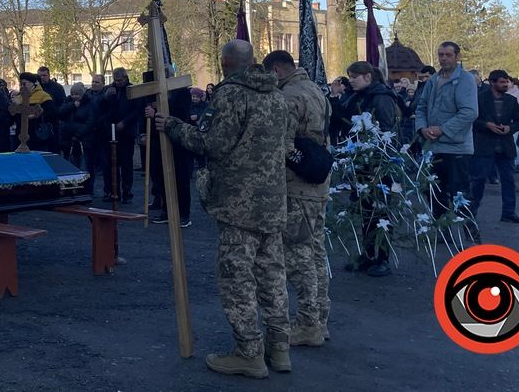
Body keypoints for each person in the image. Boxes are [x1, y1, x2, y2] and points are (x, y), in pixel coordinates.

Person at [154, 39, 291, 378]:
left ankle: (249, 353)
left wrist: (171, 125)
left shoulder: (231, 95)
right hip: (272, 202)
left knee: (237, 278)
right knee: (272, 275)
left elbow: (211, 143)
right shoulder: (276, 95)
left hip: (238, 205)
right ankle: (280, 349)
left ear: (226, 63)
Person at [261, 50, 331, 344]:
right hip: (318, 185)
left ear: (275, 70)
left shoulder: (287, 97)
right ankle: (319, 318)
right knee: (316, 252)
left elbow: (283, 146)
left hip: (297, 186)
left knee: (298, 254)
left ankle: (307, 323)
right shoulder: (315, 90)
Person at [336, 61, 402, 277]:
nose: (351, 80)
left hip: (378, 162)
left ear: (367, 77)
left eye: (355, 76)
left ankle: (382, 257)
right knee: (365, 211)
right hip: (361, 161)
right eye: (350, 76)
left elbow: (386, 127)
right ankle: (367, 254)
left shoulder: (381, 97)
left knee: (380, 211)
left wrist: (372, 148)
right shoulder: (358, 96)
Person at [414, 42, 479, 225]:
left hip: (457, 147)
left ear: (457, 56)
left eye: (448, 55)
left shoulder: (465, 80)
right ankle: (441, 227)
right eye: (440, 54)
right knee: (434, 190)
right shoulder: (433, 80)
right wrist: (422, 128)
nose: (443, 58)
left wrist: (443, 129)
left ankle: (469, 230)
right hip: (433, 146)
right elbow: (421, 107)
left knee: (460, 193)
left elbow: (469, 112)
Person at [471, 70, 519, 224]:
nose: (505, 85)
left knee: (509, 180)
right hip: (484, 145)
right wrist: (487, 125)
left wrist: (510, 128)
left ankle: (509, 212)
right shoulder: (480, 99)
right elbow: (472, 120)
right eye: (502, 82)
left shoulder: (511, 100)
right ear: (492, 82)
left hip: (505, 145)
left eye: (507, 82)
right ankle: (471, 213)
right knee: (478, 180)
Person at [140, 75, 194, 227]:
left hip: (177, 141)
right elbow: (144, 112)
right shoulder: (152, 91)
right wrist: (144, 131)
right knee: (160, 178)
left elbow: (181, 116)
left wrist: (156, 111)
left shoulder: (181, 92)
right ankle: (166, 210)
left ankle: (183, 214)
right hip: (157, 140)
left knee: (180, 179)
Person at [100, 67, 143, 203]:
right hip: (110, 131)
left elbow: (137, 110)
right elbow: (101, 106)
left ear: (125, 78)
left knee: (126, 163)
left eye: (120, 80)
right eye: (115, 80)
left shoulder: (132, 90)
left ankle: (127, 191)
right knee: (112, 163)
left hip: (126, 132)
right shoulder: (110, 89)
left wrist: (125, 122)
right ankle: (114, 191)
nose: (117, 83)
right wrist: (107, 97)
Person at [13, 72, 58, 153]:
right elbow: (13, 115)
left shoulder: (43, 96)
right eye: (21, 84)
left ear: (32, 83)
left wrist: (36, 116)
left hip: (38, 136)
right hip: (21, 136)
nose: (22, 86)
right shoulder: (19, 97)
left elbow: (52, 115)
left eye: (24, 84)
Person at [58, 82, 97, 166]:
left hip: (83, 139)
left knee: (85, 164)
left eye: (77, 94)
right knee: (70, 163)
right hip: (68, 138)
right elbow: (60, 113)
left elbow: (90, 122)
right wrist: (72, 105)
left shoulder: (89, 103)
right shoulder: (68, 101)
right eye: (72, 94)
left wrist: (78, 134)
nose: (74, 96)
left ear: (82, 94)